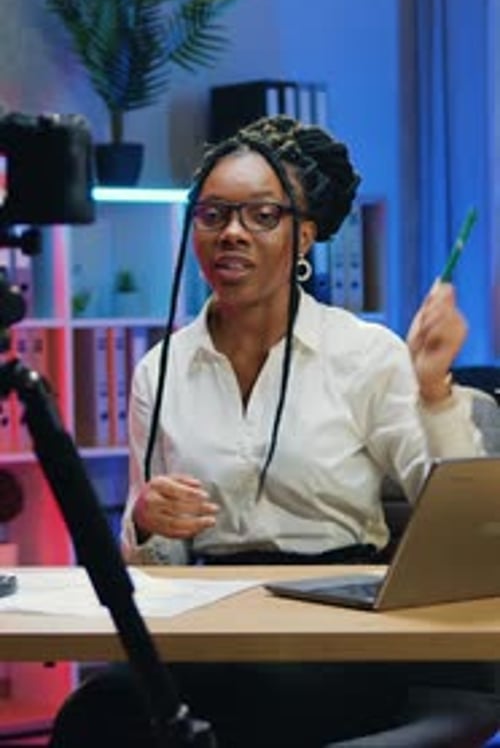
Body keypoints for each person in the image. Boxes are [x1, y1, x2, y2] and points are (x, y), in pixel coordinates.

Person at [51, 116, 485, 748]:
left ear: (303, 237)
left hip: (335, 633)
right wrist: (147, 520)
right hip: (208, 626)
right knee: (95, 717)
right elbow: (157, 562)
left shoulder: (364, 353)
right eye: (213, 215)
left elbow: (456, 515)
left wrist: (432, 390)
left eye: (260, 216)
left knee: (242, 717)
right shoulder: (160, 368)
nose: (232, 233)